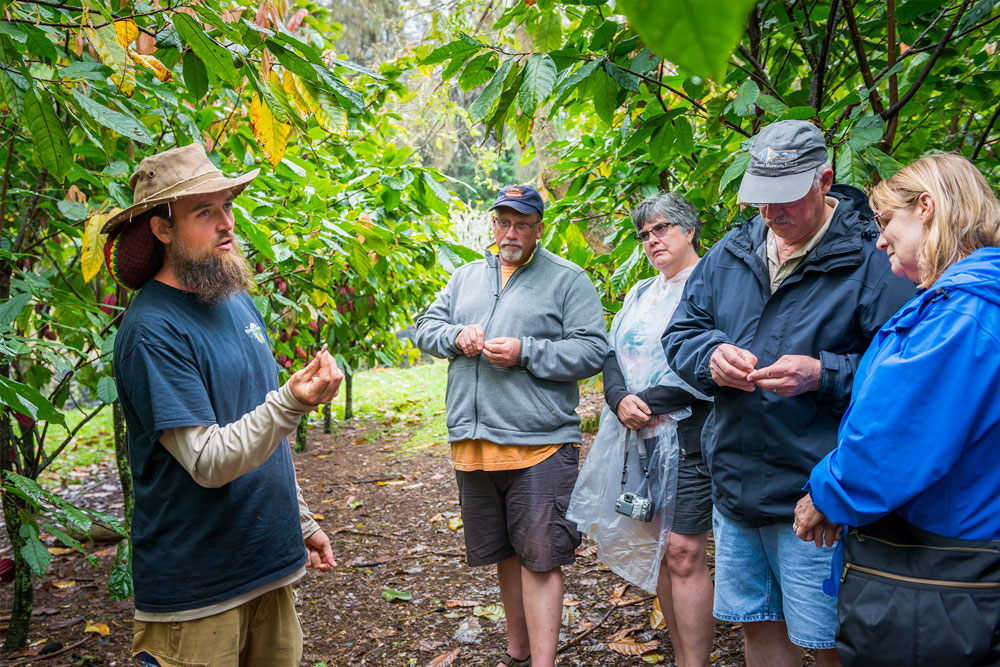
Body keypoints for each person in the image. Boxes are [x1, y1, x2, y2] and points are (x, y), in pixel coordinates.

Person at [662, 120, 914, 666]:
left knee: (826, 640)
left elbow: (901, 376)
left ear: (824, 181)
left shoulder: (873, 258)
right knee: (758, 624)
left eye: (786, 201)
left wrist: (824, 373)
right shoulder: (735, 248)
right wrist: (709, 358)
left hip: (816, 494)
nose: (772, 215)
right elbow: (682, 331)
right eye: (760, 202)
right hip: (735, 483)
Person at [104, 144, 343, 667]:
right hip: (198, 593)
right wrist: (292, 403)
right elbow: (208, 461)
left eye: (227, 207)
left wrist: (299, 521)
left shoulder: (235, 298)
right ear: (161, 229)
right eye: (204, 212)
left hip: (268, 569)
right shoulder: (152, 331)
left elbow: (260, 426)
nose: (226, 224)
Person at [793, 153, 1000, 666]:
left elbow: (897, 436)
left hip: (940, 573)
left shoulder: (965, 313)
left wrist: (828, 494)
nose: (880, 239)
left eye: (887, 222)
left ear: (927, 207)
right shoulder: (955, 302)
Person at [414, 184, 607, 667]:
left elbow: (592, 350)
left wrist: (528, 352)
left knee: (540, 558)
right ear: (493, 224)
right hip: (474, 444)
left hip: (539, 444)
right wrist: (457, 335)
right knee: (504, 553)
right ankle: (517, 653)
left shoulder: (567, 279)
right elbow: (425, 328)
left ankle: (543, 662)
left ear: (539, 228)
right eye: (504, 222)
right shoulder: (464, 278)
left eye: (522, 223)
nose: (511, 232)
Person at [569, 192, 714, 667]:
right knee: (659, 553)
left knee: (683, 551)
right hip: (640, 439)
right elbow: (612, 355)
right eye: (645, 235)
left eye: (662, 229)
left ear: (689, 229)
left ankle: (696, 661)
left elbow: (712, 364)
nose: (652, 241)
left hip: (688, 434)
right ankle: (680, 655)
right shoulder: (639, 292)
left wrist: (646, 401)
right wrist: (617, 399)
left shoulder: (712, 284)